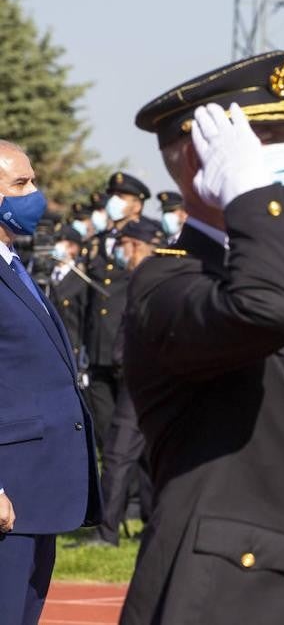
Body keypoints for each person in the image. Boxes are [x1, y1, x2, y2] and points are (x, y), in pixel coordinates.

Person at [125, 51, 284, 623]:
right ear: (200, 155)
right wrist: (251, 199)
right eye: (264, 136)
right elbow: (264, 311)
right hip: (225, 599)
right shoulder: (167, 282)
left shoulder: (280, 275)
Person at [0, 139, 101, 624]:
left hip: (36, 490)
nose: (34, 194)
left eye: (33, 181)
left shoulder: (14, 264)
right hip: (9, 493)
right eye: (20, 184)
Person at [83, 219, 163, 547]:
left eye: (128, 245)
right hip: (143, 377)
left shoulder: (153, 278)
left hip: (143, 378)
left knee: (117, 455)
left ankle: (106, 531)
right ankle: (152, 523)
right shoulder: (151, 277)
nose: (124, 253)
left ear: (138, 246)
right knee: (144, 459)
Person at [85, 172, 153, 449]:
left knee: (132, 439)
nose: (114, 202)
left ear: (137, 205)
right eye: (112, 196)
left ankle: (136, 494)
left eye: (122, 197)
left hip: (129, 347)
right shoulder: (96, 243)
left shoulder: (148, 238)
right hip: (98, 347)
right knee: (105, 432)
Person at [48, 225, 91, 366]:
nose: (55, 245)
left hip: (69, 346)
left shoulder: (81, 279)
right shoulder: (44, 273)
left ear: (73, 248)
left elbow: (84, 317)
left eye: (60, 241)